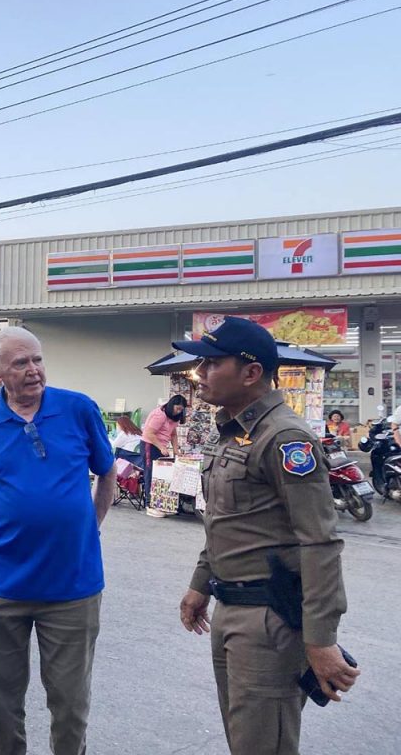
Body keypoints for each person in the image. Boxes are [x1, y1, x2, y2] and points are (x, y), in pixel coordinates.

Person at [173, 317, 358, 755]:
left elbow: (320, 542)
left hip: (268, 619)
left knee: (264, 745)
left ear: (251, 372)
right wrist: (200, 584)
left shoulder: (284, 437)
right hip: (229, 607)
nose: (200, 373)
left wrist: (320, 639)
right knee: (244, 741)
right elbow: (226, 521)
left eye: (212, 363)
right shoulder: (233, 431)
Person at [0, 326, 116, 755]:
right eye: (21, 363)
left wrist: (91, 526)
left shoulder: (78, 409)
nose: (34, 370)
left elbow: (107, 473)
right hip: (4, 587)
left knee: (70, 705)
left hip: (74, 588)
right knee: (3, 705)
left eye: (38, 360)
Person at [141, 394, 187, 502]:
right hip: (150, 444)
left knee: (161, 473)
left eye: (181, 410)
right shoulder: (160, 415)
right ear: (171, 405)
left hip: (160, 446)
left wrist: (176, 450)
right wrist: (161, 447)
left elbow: (173, 434)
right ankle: (149, 501)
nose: (179, 412)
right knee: (150, 472)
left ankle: (159, 500)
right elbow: (149, 433)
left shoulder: (174, 417)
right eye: (177, 408)